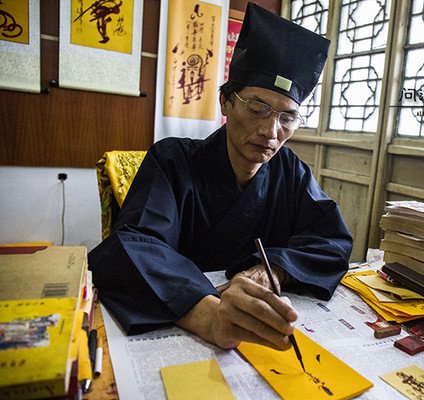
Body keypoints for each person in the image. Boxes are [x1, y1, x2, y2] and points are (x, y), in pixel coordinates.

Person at [89, 3, 352, 352]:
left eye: (287, 118)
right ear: (226, 102)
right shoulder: (172, 160)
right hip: (189, 319)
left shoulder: (291, 171)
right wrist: (209, 315)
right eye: (257, 109)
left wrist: (272, 267)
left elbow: (332, 242)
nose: (270, 131)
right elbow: (133, 244)